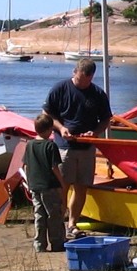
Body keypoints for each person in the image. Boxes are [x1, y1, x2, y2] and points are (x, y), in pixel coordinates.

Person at [42, 58, 113, 240]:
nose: (83, 83)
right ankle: (59, 224)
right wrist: (61, 128)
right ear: (75, 72)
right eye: (81, 79)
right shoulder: (60, 89)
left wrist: (95, 132)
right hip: (65, 147)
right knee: (62, 187)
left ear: (92, 77)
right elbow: (47, 114)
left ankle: (72, 224)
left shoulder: (97, 94)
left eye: (87, 80)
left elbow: (106, 119)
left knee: (81, 187)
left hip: (87, 148)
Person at [22, 113, 65, 252]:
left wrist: (28, 182)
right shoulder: (50, 146)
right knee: (54, 215)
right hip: (49, 186)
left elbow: (26, 166)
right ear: (48, 130)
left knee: (39, 215)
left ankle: (39, 244)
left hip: (35, 186)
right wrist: (62, 183)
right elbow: (54, 167)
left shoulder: (30, 145)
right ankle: (57, 242)